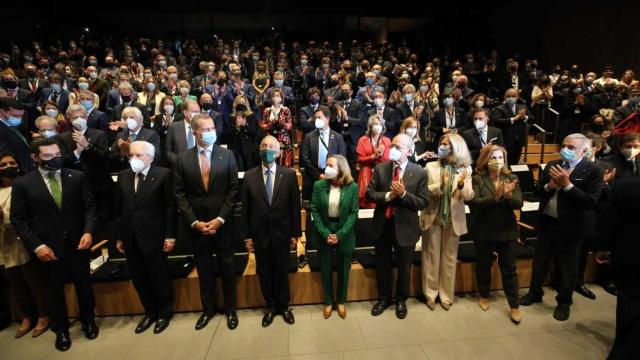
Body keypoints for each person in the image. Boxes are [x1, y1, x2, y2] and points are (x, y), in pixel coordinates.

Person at [10, 137, 98, 352]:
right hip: (47, 247)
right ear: (35, 157)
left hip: (78, 242)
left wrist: (88, 231)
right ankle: (61, 330)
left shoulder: (76, 176)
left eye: (57, 155)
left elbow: (90, 207)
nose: (55, 159)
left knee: (84, 285)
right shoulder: (23, 183)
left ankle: (88, 320)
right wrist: (37, 246)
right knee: (53, 289)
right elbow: (18, 220)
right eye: (48, 156)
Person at [520, 133, 603, 321]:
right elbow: (537, 191)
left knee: (568, 267)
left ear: (584, 151)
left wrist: (567, 185)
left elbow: (591, 202)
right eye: (564, 145)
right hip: (548, 221)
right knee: (540, 262)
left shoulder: (592, 170)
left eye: (571, 147)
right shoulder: (552, 165)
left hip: (571, 227)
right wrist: (549, 186)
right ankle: (534, 293)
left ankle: (564, 302)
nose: (566, 150)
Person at [173, 114, 240, 330]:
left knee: (227, 267)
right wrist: (194, 222)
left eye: (212, 128)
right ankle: (207, 309)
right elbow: (179, 194)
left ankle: (231, 310)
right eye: (205, 129)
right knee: (203, 269)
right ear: (194, 132)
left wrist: (220, 219)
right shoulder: (182, 159)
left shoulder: (227, 155)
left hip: (223, 223)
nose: (211, 132)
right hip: (197, 227)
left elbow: (233, 190)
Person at [113, 141, 176, 334]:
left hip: (154, 235)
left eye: (138, 155)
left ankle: (165, 312)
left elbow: (170, 208)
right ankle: (150, 312)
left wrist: (170, 236)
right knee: (139, 277)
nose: (133, 159)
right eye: (131, 155)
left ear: (150, 156)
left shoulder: (163, 174)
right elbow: (118, 209)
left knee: (159, 275)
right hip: (130, 236)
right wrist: (118, 237)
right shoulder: (123, 176)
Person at [366, 133, 429, 319]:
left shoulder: (419, 172)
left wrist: (403, 195)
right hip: (382, 225)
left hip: (406, 228)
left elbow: (423, 202)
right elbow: (370, 194)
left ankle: (401, 300)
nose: (392, 149)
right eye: (391, 145)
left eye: (398, 147)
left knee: (404, 267)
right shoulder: (381, 168)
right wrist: (388, 196)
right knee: (383, 264)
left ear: (409, 151)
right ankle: (384, 298)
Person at [241, 136, 301, 327]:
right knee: (264, 272)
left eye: (271, 146)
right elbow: (245, 210)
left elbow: (294, 208)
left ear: (279, 152)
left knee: (282, 271)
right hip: (259, 235)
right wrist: (247, 236)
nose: (267, 149)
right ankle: (271, 306)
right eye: (264, 145)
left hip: (282, 234)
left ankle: (283, 306)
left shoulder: (289, 174)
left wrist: (295, 234)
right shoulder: (249, 176)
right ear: (259, 149)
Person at [468, 145, 522, 324]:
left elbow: (518, 203)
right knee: (484, 265)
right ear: (485, 159)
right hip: (483, 229)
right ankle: (484, 295)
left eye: (500, 157)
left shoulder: (512, 177)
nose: (497, 161)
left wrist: (507, 196)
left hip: (506, 230)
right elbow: (475, 202)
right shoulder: (477, 179)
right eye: (493, 157)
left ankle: (514, 305)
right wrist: (496, 197)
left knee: (509, 269)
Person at [420, 133, 474, 311]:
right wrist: (440, 187)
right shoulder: (430, 166)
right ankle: (430, 294)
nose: (442, 147)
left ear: (456, 148)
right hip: (433, 217)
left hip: (453, 219)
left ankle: (446, 296)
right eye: (441, 143)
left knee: (449, 259)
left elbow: (469, 196)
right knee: (431, 257)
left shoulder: (465, 169)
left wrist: (460, 186)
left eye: (447, 144)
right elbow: (424, 192)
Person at [0, 153, 49, 338]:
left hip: (24, 239)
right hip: (4, 242)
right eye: (3, 164)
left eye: (12, 162)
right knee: (14, 282)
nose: (8, 166)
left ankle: (43, 315)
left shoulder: (27, 185)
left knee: (32, 279)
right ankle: (26, 316)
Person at [595, 176, 640, 359]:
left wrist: (604, 247)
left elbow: (609, 219)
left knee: (628, 304)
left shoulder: (625, 184)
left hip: (629, 253)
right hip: (629, 255)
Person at [309, 154, 358, 319]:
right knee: (326, 269)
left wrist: (340, 234)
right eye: (326, 165)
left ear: (341, 169)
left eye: (331, 166)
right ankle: (329, 301)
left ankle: (341, 301)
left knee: (344, 270)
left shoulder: (352, 187)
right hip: (325, 229)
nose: (326, 169)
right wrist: (325, 233)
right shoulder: (319, 185)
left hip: (344, 231)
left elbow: (353, 213)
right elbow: (314, 210)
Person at [300, 106, 346, 200]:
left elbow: (341, 157)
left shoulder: (338, 137)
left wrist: (331, 173)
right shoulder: (308, 136)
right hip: (312, 177)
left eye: (319, 117)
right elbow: (305, 158)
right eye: (315, 118)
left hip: (333, 178)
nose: (316, 120)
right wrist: (318, 175)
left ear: (328, 119)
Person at [490, 88, 535, 165]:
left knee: (515, 163)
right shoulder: (499, 108)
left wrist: (525, 117)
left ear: (517, 97)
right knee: (504, 163)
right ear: (504, 97)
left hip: (519, 141)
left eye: (513, 96)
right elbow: (497, 121)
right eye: (508, 96)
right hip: (505, 140)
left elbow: (532, 119)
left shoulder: (522, 107)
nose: (511, 98)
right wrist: (514, 119)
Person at [109, 106, 161, 171]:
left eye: (131, 117)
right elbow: (111, 158)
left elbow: (156, 158)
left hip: (145, 172)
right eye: (125, 118)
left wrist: (131, 149)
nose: (128, 120)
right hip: (126, 172)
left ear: (141, 119)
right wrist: (122, 154)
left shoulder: (151, 135)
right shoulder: (121, 135)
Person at [356, 115, 391, 208]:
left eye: (380, 124)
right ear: (370, 126)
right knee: (367, 201)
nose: (378, 126)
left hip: (382, 173)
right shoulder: (362, 140)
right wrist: (373, 156)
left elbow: (388, 159)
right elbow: (360, 159)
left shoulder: (386, 141)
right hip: (366, 172)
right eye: (376, 124)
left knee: (380, 199)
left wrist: (381, 155)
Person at [225, 95, 260, 171]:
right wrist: (237, 126)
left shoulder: (252, 116)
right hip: (236, 150)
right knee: (239, 172)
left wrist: (245, 125)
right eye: (239, 102)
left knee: (250, 171)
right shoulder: (231, 117)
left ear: (246, 104)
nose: (241, 104)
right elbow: (227, 135)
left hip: (250, 150)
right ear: (235, 104)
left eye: (243, 103)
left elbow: (255, 133)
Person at [0, 98, 35, 174]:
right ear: (1, 112)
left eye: (21, 115)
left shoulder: (15, 123)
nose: (19, 119)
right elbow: (6, 156)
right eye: (15, 115)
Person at [261, 89, 293, 167]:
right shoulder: (267, 110)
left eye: (278, 96)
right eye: (274, 96)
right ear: (271, 98)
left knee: (283, 163)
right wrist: (270, 124)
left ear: (281, 98)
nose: (276, 97)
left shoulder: (286, 110)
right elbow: (263, 125)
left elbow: (289, 125)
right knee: (271, 161)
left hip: (283, 139)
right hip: (271, 138)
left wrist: (283, 124)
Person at [165, 99, 199, 168]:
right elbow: (167, 150)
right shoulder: (174, 127)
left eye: (198, 111)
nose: (197, 114)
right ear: (185, 112)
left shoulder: (201, 127)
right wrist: (179, 161)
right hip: (179, 167)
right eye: (194, 111)